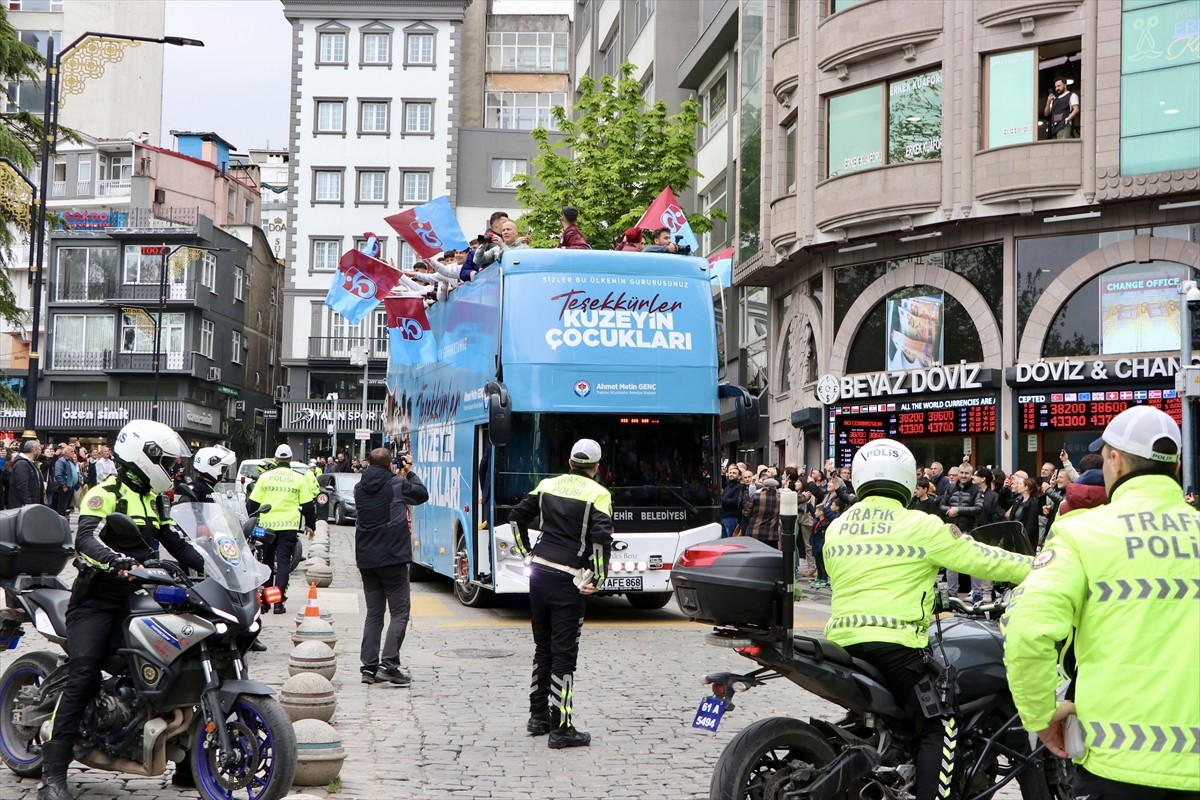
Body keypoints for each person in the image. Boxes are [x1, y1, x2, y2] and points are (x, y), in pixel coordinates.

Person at [1002, 406, 1199, 799]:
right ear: (1175, 468)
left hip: (1115, 761)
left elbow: (1027, 632)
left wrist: (1040, 716)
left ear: (1114, 459)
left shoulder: (1080, 533)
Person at [822, 439, 1032, 800]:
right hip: (895, 644)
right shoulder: (920, 525)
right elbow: (981, 559)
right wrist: (1039, 566)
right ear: (906, 477)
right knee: (939, 724)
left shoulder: (837, 528)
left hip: (841, 643)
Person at [38, 420, 206, 800]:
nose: (174, 468)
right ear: (143, 458)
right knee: (84, 672)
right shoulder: (105, 492)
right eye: (167, 461)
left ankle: (188, 762)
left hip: (142, 598)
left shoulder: (155, 498)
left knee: (184, 664)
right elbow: (85, 538)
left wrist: (212, 568)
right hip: (97, 599)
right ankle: (53, 772)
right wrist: (121, 562)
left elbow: (175, 539)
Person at [508, 438, 613, 749]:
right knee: (564, 656)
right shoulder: (599, 494)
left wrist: (525, 552)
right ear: (596, 467)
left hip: (539, 573)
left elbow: (516, 518)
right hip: (568, 579)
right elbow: (600, 540)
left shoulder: (547, 485)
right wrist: (598, 578)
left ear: (569, 462)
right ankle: (562, 728)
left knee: (543, 648)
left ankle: (537, 717)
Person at [354, 448, 428, 686]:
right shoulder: (397, 484)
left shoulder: (358, 488)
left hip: (367, 561)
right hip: (393, 559)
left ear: (368, 464)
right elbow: (421, 495)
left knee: (374, 614)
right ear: (389, 465)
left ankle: (368, 668)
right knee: (399, 613)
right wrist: (410, 471)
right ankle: (389, 665)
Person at [246, 444, 317, 614]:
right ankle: (278, 603)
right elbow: (308, 505)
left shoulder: (265, 477)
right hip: (289, 526)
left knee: (267, 563)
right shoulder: (298, 478)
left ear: (276, 459)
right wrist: (310, 526)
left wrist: (244, 520)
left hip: (267, 527)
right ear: (291, 459)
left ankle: (265, 602)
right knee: (283, 562)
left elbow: (252, 504)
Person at [742, 477, 781, 547]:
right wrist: (805, 496)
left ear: (764, 486)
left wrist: (751, 522)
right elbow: (797, 499)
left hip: (754, 532)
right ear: (775, 487)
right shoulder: (779, 498)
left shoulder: (756, 496)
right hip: (770, 535)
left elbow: (745, 512)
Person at [6, 439, 45, 508]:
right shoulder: (22, 464)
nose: (40, 452)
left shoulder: (29, 463)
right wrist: (28, 502)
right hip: (22, 505)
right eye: (39, 449)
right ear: (34, 450)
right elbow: (22, 485)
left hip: (31, 504)